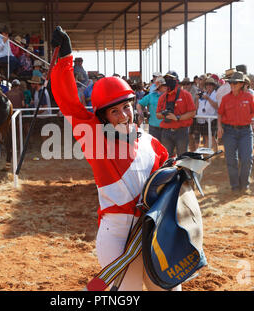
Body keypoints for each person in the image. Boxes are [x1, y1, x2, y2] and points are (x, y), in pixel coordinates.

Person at [50, 26, 180, 291]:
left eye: (126, 107)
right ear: (103, 118)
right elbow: (68, 102)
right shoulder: (96, 140)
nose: (123, 115)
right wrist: (65, 57)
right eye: (114, 111)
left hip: (153, 232)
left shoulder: (152, 143)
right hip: (118, 238)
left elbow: (166, 178)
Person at [217, 72, 254, 193]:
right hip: (229, 131)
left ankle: (244, 185)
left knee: (247, 159)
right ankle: (235, 186)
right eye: (230, 83)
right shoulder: (225, 98)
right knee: (231, 160)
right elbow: (219, 113)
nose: (232, 85)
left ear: (242, 84)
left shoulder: (249, 97)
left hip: (245, 132)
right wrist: (219, 126)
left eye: (235, 83)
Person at [156, 71, 196, 156]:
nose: (168, 81)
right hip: (166, 132)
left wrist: (177, 117)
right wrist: (164, 114)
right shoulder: (162, 97)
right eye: (166, 79)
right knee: (166, 158)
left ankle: (183, 170)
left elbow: (192, 113)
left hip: (181, 131)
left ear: (176, 81)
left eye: (170, 79)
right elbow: (157, 115)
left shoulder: (186, 95)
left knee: (182, 158)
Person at [137, 76, 166, 141]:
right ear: (159, 86)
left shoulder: (169, 96)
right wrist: (141, 114)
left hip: (167, 128)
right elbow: (139, 104)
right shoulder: (151, 96)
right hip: (154, 128)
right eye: (164, 85)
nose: (166, 87)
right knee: (154, 149)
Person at [193, 77, 218, 152]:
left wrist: (208, 99)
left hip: (212, 119)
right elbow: (196, 107)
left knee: (213, 137)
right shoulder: (202, 94)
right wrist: (197, 99)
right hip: (202, 119)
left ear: (213, 86)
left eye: (211, 85)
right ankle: (206, 154)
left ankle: (216, 153)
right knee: (206, 137)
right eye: (207, 85)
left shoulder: (216, 94)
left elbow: (216, 106)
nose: (209, 86)